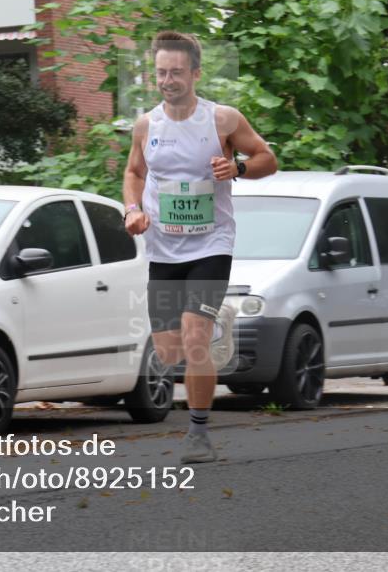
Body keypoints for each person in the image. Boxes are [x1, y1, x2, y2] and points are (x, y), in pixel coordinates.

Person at [123, 31, 277, 463]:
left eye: (176, 72)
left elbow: (268, 159)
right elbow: (134, 172)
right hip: (162, 248)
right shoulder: (146, 124)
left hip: (211, 244)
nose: (168, 80)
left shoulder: (222, 119)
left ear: (195, 73)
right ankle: (210, 329)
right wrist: (131, 209)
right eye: (160, 72)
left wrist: (238, 167)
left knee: (193, 340)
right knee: (169, 351)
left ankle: (198, 433)